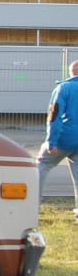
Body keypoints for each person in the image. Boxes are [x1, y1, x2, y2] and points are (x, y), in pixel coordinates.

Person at [40, 60, 78, 221]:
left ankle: (31, 205)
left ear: (71, 72)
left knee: (42, 164)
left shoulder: (63, 88)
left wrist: (51, 140)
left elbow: (54, 115)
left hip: (64, 137)